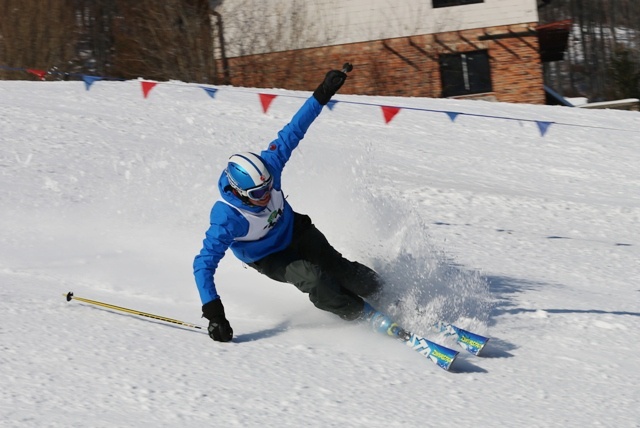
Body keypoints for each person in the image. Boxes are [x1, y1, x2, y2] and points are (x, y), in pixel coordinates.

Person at [193, 66, 385, 343]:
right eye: (259, 192)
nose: (268, 192)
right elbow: (203, 265)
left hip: (296, 230)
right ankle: (363, 315)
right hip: (270, 257)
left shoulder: (269, 167)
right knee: (314, 278)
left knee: (340, 269)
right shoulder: (227, 217)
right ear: (240, 192)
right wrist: (215, 315)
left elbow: (294, 129)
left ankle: (387, 292)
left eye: (268, 185)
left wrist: (323, 92)